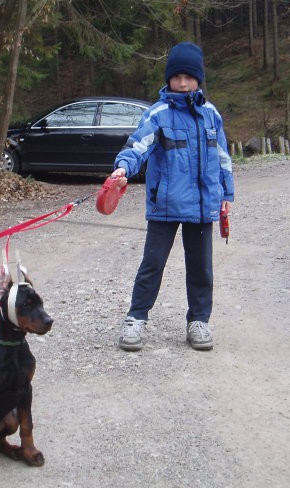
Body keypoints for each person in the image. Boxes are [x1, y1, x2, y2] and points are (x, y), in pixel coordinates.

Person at [110, 41, 234, 352]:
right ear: (168, 79)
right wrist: (123, 168)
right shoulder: (158, 113)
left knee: (201, 268)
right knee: (152, 264)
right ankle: (135, 320)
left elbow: (223, 157)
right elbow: (137, 146)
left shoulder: (211, 115)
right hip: (164, 206)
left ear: (198, 79)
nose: (182, 83)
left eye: (188, 77)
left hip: (203, 206)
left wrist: (226, 192)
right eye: (176, 76)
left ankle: (199, 322)